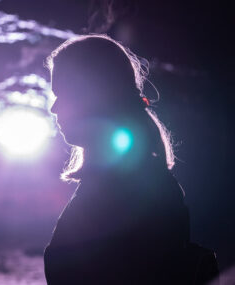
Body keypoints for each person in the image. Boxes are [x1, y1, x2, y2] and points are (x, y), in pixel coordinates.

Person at [44, 34, 218, 284]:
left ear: (95, 95)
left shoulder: (125, 189)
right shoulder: (126, 178)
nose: (54, 108)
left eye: (64, 94)